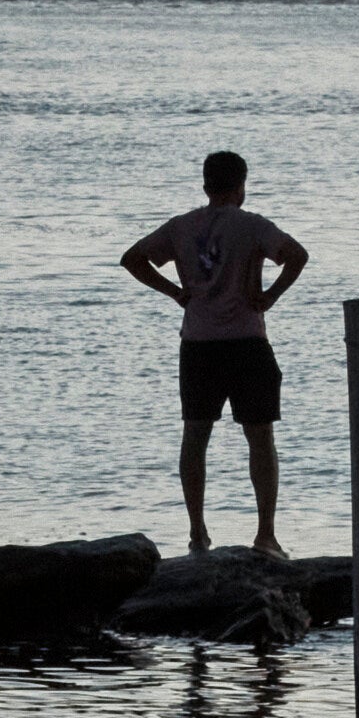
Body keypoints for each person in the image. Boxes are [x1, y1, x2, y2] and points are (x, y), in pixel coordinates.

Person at [120, 154, 308, 552]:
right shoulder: (253, 225)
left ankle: (197, 531)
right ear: (241, 187)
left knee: (195, 435)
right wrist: (270, 295)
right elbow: (297, 254)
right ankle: (265, 533)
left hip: (199, 344)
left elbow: (133, 259)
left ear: (206, 187)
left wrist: (175, 292)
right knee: (260, 438)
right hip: (247, 341)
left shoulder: (182, 226)